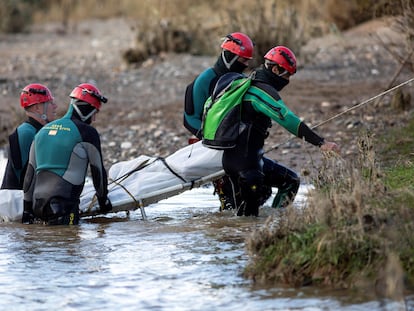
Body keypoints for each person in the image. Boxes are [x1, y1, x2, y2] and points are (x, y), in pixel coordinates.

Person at [221, 46, 340, 216]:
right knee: (247, 223)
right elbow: (289, 120)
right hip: (247, 167)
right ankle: (273, 225)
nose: (288, 81)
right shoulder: (262, 90)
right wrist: (321, 143)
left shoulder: (247, 82)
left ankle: (274, 220)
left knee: (290, 181)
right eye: (287, 75)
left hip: (230, 162)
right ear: (275, 69)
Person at [183, 32, 255, 211]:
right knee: (230, 203)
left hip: (235, 144)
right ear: (229, 57)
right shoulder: (205, 80)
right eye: (243, 60)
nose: (246, 65)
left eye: (247, 61)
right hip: (212, 145)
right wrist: (211, 138)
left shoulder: (238, 80)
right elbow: (188, 119)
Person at [22, 83, 112, 225]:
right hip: (63, 209)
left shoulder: (43, 131)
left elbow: (29, 175)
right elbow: (98, 172)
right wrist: (103, 201)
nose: (94, 119)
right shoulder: (87, 133)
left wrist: (26, 211)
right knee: (68, 242)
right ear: (87, 108)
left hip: (37, 207)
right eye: (94, 112)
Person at [1, 83, 57, 190]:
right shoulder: (28, 133)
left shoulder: (30, 130)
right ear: (37, 108)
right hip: (16, 201)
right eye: (50, 103)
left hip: (15, 198)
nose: (55, 106)